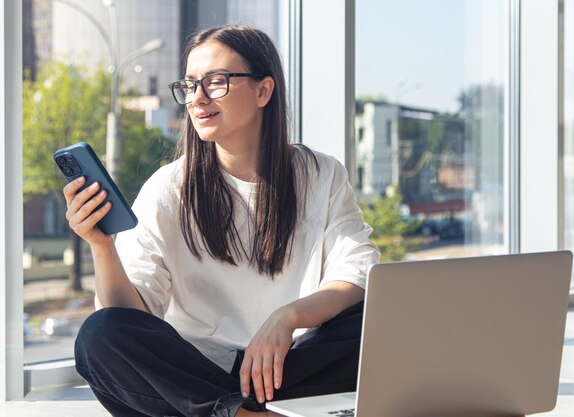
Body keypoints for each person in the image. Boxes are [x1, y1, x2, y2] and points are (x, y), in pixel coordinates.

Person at [65, 24, 379, 417]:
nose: (196, 98)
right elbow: (129, 317)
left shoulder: (320, 173)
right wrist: (101, 245)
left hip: (293, 365)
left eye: (215, 82)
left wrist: (288, 317)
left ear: (264, 90)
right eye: (189, 85)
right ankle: (237, 414)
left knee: (380, 319)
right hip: (199, 379)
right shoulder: (168, 188)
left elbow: (358, 272)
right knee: (99, 334)